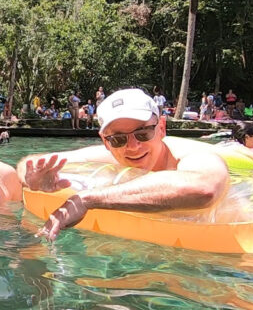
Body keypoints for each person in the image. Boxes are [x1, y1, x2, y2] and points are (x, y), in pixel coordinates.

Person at [17, 88, 229, 241]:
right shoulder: (106, 154)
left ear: (162, 127)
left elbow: (205, 188)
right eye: (118, 139)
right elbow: (30, 162)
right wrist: (33, 177)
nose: (133, 146)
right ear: (105, 141)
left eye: (143, 132)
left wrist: (86, 200)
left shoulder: (193, 156)